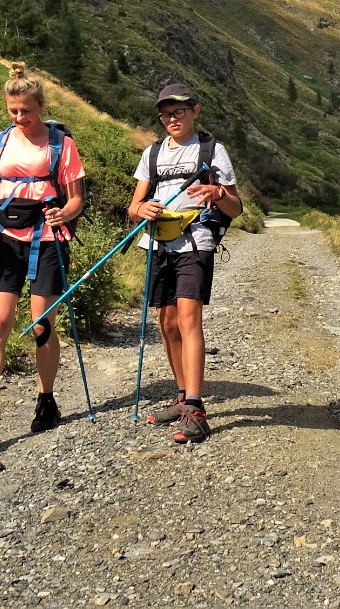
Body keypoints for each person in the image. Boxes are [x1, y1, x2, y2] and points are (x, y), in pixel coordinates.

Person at [0, 63, 85, 444]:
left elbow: (76, 200)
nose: (19, 117)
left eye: (26, 110)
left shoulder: (61, 144)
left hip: (47, 239)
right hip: (5, 237)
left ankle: (46, 399)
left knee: (41, 325)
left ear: (40, 105)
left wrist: (64, 212)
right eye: (13, 111)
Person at [129, 82, 242, 443]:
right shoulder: (151, 154)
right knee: (167, 321)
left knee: (189, 316)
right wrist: (141, 210)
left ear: (195, 111)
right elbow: (133, 207)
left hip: (196, 242)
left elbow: (235, 208)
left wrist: (217, 192)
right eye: (165, 114)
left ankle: (195, 407)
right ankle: (181, 396)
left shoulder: (212, 150)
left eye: (179, 111)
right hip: (157, 244)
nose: (172, 118)